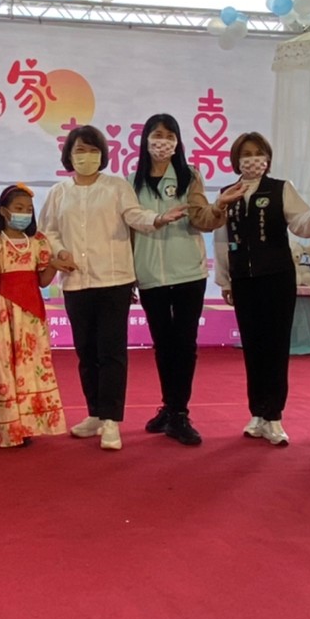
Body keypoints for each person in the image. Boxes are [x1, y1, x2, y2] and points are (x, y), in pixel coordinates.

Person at [39, 125, 184, 452]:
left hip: (114, 281)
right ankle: (94, 413)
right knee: (86, 353)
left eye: (92, 150)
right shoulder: (59, 192)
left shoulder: (116, 186)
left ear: (102, 154)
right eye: (79, 150)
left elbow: (135, 215)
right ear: (69, 155)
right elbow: (48, 230)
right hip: (76, 283)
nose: (85, 156)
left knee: (111, 352)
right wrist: (59, 251)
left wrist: (158, 219)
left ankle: (111, 420)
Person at [213, 131, 310, 446]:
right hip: (243, 280)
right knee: (253, 348)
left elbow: (301, 223)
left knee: (275, 346)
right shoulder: (228, 193)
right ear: (236, 160)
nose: (252, 159)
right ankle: (257, 412)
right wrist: (225, 280)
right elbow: (221, 239)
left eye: (258, 153)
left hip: (276, 278)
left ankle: (274, 416)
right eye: (246, 154)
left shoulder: (281, 189)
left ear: (267, 159)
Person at [128, 114, 241, 447]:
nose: (162, 142)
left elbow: (202, 219)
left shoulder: (189, 175)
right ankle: (170, 407)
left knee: (185, 343)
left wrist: (219, 205)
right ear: (145, 139)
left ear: (178, 142)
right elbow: (129, 226)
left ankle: (179, 412)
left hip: (189, 272)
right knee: (163, 343)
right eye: (156, 135)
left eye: (169, 136)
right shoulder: (131, 180)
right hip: (150, 274)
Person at [0, 184, 66, 448]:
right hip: (1, 313)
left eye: (29, 210)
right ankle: (2, 426)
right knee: (2, 366)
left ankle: (27, 424)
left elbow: (42, 281)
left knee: (31, 367)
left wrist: (53, 266)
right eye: (19, 209)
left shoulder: (39, 241)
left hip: (30, 315)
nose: (24, 214)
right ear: (5, 211)